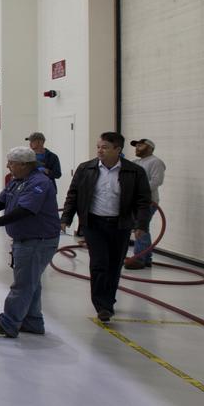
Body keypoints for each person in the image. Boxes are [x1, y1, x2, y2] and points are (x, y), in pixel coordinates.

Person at [60, 132, 151, 322]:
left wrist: (141, 224)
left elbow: (143, 201)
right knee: (99, 263)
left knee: (114, 265)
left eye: (105, 147)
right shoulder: (86, 169)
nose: (100, 151)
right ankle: (102, 305)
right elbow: (73, 194)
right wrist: (66, 218)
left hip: (120, 225)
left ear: (118, 150)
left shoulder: (134, 172)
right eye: (98, 147)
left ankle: (108, 300)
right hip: (94, 224)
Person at [0, 147, 62, 338]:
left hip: (37, 240)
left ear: (24, 164)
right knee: (31, 282)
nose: (7, 166)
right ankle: (33, 322)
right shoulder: (17, 182)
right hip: (26, 239)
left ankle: (9, 323)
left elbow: (25, 210)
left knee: (23, 284)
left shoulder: (39, 183)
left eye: (11, 163)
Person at [124, 138, 166, 269]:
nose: (137, 147)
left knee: (140, 228)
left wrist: (140, 192)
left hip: (148, 202)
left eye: (140, 145)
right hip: (137, 202)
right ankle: (146, 258)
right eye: (136, 145)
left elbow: (156, 181)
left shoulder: (155, 162)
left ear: (150, 148)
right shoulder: (136, 162)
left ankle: (139, 258)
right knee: (142, 228)